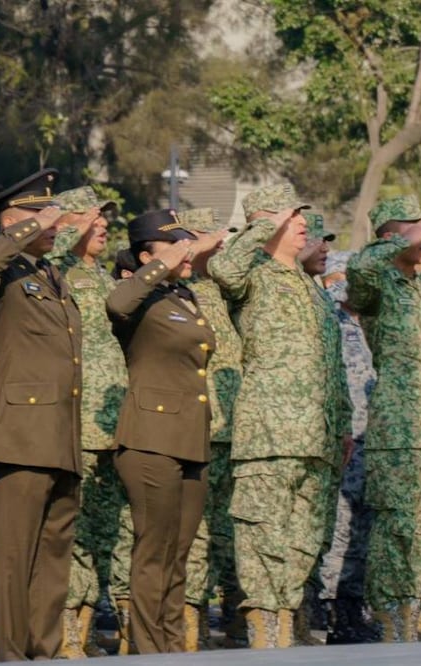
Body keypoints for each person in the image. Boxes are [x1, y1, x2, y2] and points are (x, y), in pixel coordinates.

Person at [209, 184, 352, 649]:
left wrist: (344, 424)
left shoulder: (311, 288)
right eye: (292, 217)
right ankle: (264, 627)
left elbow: (333, 364)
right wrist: (265, 226)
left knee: (304, 538)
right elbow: (223, 268)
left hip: (318, 434)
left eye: (300, 216)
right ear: (263, 223)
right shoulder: (251, 272)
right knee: (263, 533)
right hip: (270, 431)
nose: (303, 223)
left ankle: (285, 618)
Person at [0, 168, 83, 661]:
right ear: (13, 220)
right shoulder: (3, 272)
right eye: (40, 214)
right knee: (14, 555)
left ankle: (44, 648)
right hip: (21, 433)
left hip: (60, 433)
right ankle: (11, 652)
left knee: (54, 554)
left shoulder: (49, 275)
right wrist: (28, 229)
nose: (52, 223)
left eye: (53, 215)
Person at [107, 209, 221, 654]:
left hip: (190, 436)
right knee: (154, 550)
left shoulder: (181, 297)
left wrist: (185, 257)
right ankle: (150, 649)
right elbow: (116, 303)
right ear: (145, 254)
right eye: (173, 244)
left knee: (178, 552)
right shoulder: (138, 297)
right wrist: (162, 263)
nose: (185, 252)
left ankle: (171, 644)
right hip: (150, 437)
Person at [346, 195, 421, 642]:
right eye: (416, 233)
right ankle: (390, 612)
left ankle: (411, 609)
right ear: (394, 237)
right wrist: (406, 237)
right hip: (400, 430)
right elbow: (359, 270)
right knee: (397, 529)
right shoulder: (379, 287)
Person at [48, 186, 128, 658]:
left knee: (104, 534)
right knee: (71, 533)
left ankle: (85, 626)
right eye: (92, 217)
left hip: (113, 424)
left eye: (104, 219)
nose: (102, 225)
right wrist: (65, 227)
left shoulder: (100, 276)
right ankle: (64, 634)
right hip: (74, 422)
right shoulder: (55, 269)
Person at [180, 207, 243, 650]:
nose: (221, 244)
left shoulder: (223, 290)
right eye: (211, 236)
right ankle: (189, 627)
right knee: (196, 534)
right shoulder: (177, 289)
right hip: (197, 426)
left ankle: (235, 621)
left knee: (231, 533)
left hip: (234, 428)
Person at [316, 250, 378, 643]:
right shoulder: (330, 322)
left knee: (362, 533)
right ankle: (328, 607)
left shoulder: (373, 324)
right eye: (342, 276)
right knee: (337, 530)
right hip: (344, 442)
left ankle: (352, 606)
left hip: (373, 443)